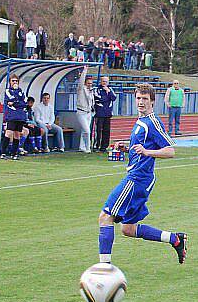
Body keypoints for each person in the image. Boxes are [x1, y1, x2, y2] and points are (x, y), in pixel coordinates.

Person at [98, 83, 187, 265]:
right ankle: (175, 239)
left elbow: (170, 151)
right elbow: (141, 147)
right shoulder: (141, 121)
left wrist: (147, 152)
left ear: (152, 102)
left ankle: (104, 269)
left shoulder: (152, 122)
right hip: (141, 178)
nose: (140, 102)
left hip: (137, 179)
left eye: (145, 99)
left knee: (105, 217)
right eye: (138, 98)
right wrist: (127, 147)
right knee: (128, 229)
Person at [3, 74, 28, 160]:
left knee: (17, 135)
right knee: (8, 133)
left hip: (20, 116)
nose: (15, 82)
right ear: (10, 82)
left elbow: (24, 103)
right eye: (13, 81)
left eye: (16, 81)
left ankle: (14, 154)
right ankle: (3, 153)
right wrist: (17, 102)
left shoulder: (21, 91)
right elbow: (10, 100)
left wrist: (16, 103)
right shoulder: (8, 91)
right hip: (12, 116)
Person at [94, 76, 117, 152]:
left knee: (106, 131)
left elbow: (114, 98)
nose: (105, 83)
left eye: (106, 81)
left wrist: (109, 92)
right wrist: (108, 97)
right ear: (101, 82)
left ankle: (104, 146)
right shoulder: (97, 89)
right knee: (98, 130)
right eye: (103, 81)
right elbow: (99, 99)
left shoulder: (110, 89)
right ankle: (97, 145)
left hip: (108, 113)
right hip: (99, 113)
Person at [75, 67, 95, 153]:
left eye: (91, 83)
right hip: (81, 112)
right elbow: (81, 82)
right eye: (88, 83)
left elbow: (91, 102)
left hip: (88, 113)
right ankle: (88, 148)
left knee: (84, 131)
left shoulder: (91, 91)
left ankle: (81, 147)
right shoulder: (81, 89)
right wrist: (85, 71)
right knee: (87, 131)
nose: (90, 84)